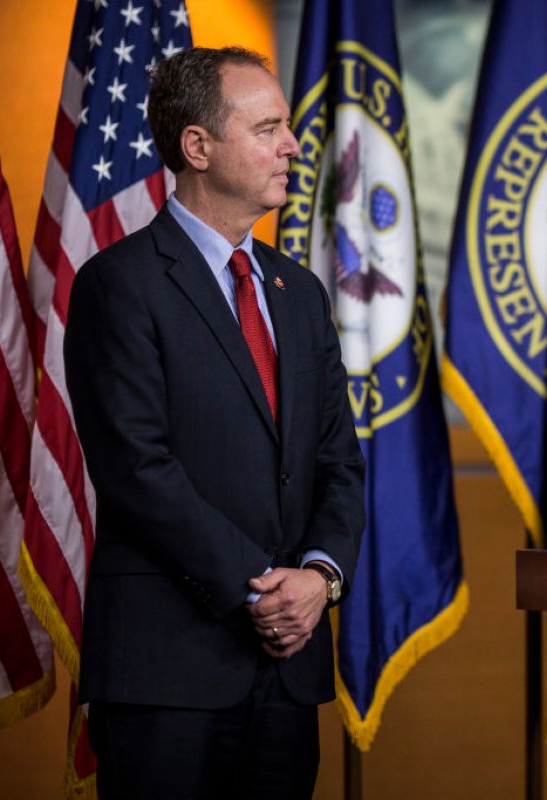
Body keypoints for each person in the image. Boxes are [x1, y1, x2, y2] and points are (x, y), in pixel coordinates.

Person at [64, 47, 365, 799]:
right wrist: (264, 589)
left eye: (287, 127)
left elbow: (339, 465)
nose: (292, 146)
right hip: (169, 673)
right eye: (268, 128)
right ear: (197, 147)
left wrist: (320, 579)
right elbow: (138, 469)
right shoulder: (119, 285)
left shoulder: (299, 295)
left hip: (288, 672)